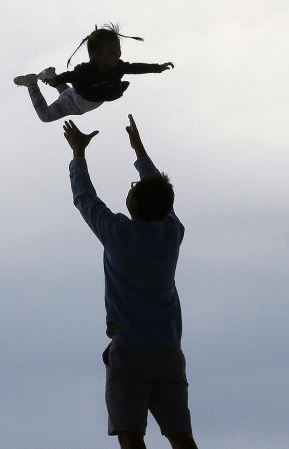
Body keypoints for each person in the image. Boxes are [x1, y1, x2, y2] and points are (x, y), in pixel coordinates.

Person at [62, 114, 198, 449]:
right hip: (169, 351)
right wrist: (139, 151)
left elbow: (85, 198)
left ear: (133, 204)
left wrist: (78, 153)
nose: (132, 187)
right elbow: (161, 196)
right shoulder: (171, 233)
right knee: (181, 437)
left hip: (130, 351)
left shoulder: (118, 234)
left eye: (134, 188)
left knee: (130, 434)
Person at [15, 24, 174, 122]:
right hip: (75, 103)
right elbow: (71, 75)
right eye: (112, 52)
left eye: (118, 51)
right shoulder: (85, 69)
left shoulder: (119, 66)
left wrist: (157, 68)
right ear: (96, 56)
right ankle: (31, 83)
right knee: (45, 116)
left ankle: (51, 74)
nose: (117, 55)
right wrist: (55, 80)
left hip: (75, 96)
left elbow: (136, 68)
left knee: (67, 92)